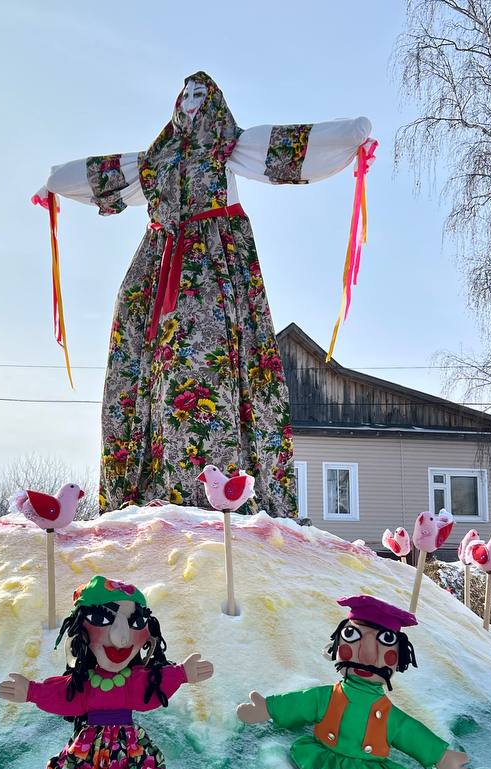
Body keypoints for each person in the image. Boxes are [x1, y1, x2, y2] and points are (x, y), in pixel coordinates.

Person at [38, 72, 373, 515]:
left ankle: (220, 491)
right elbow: (102, 173)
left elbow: (289, 146)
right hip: (155, 280)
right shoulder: (155, 163)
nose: (193, 102)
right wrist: (56, 181)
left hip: (215, 274)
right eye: (187, 95)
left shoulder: (231, 148)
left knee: (205, 361)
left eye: (201, 94)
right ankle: (149, 493)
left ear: (214, 103)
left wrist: (351, 136)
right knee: (148, 374)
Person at [0, 576, 214, 769]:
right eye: (103, 620)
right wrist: (32, 691)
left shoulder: (133, 679)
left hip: (129, 749)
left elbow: (149, 690)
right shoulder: (86, 681)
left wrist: (181, 673)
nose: (122, 637)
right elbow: (66, 695)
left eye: (134, 623)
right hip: (89, 748)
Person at [236, 595, 469, 769]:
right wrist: (270, 708)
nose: (367, 655)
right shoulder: (329, 696)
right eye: (353, 637)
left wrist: (440, 756)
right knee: (309, 758)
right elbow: (302, 702)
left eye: (384, 643)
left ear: (399, 657)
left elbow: (409, 732)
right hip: (328, 754)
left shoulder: (387, 713)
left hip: (367, 764)